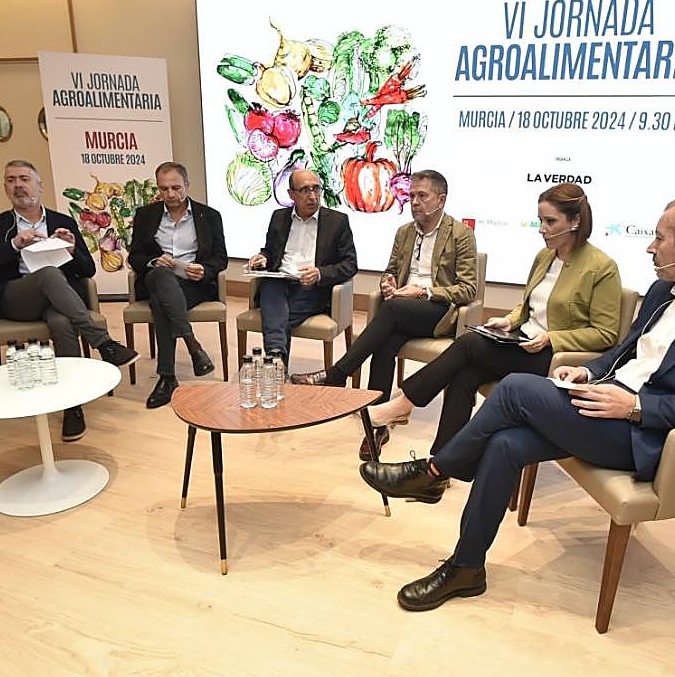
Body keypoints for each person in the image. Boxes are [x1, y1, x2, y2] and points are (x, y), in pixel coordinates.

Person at [359, 192, 675, 611]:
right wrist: (589, 372)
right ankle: (466, 567)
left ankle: (434, 470)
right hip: (601, 405)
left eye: (660, 237)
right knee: (506, 445)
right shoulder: (661, 292)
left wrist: (634, 408)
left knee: (516, 388)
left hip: (645, 435)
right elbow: (623, 352)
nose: (651, 246)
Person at [365, 182, 621, 457]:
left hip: (553, 357)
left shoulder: (601, 267)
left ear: (575, 221)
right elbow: (528, 305)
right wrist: (509, 321)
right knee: (464, 375)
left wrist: (552, 338)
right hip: (521, 343)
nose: (541, 229)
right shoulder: (545, 256)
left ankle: (405, 403)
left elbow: (606, 334)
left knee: (469, 344)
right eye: (540, 220)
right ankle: (442, 462)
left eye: (550, 221)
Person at [290, 169, 477, 459]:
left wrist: (422, 292)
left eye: (421, 196)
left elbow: (467, 290)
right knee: (385, 342)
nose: (414, 202)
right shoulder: (404, 232)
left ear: (440, 200)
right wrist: (388, 283)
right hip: (403, 310)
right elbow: (390, 271)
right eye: (411, 195)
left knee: (390, 312)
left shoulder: (460, 234)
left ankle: (337, 374)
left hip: (437, 311)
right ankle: (376, 424)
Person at [0, 159, 137, 442]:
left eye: (24, 178)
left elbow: (88, 270)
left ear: (39, 185)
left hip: (58, 302)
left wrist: (70, 249)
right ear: (5, 187)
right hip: (16, 298)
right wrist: (13, 245)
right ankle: (104, 343)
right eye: (11, 180)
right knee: (47, 274)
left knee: (62, 322)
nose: (18, 185)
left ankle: (72, 407)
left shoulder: (62, 222)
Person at [128, 161, 228, 409]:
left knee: (162, 304)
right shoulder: (145, 215)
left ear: (187, 185)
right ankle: (192, 345)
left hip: (193, 284)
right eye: (164, 189)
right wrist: (153, 261)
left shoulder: (209, 216)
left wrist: (205, 270)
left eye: (175, 187)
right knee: (162, 277)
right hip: (155, 277)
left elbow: (220, 257)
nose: (170, 194)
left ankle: (168, 377)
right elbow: (135, 257)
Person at [246, 168, 356, 363]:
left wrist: (320, 273)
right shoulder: (279, 217)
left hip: (312, 287)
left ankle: (274, 357)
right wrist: (262, 257)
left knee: (277, 317)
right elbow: (270, 252)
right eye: (305, 190)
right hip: (280, 282)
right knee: (270, 288)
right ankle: (277, 359)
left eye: (316, 189)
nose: (312, 196)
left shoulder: (337, 221)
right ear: (291, 195)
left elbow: (350, 264)